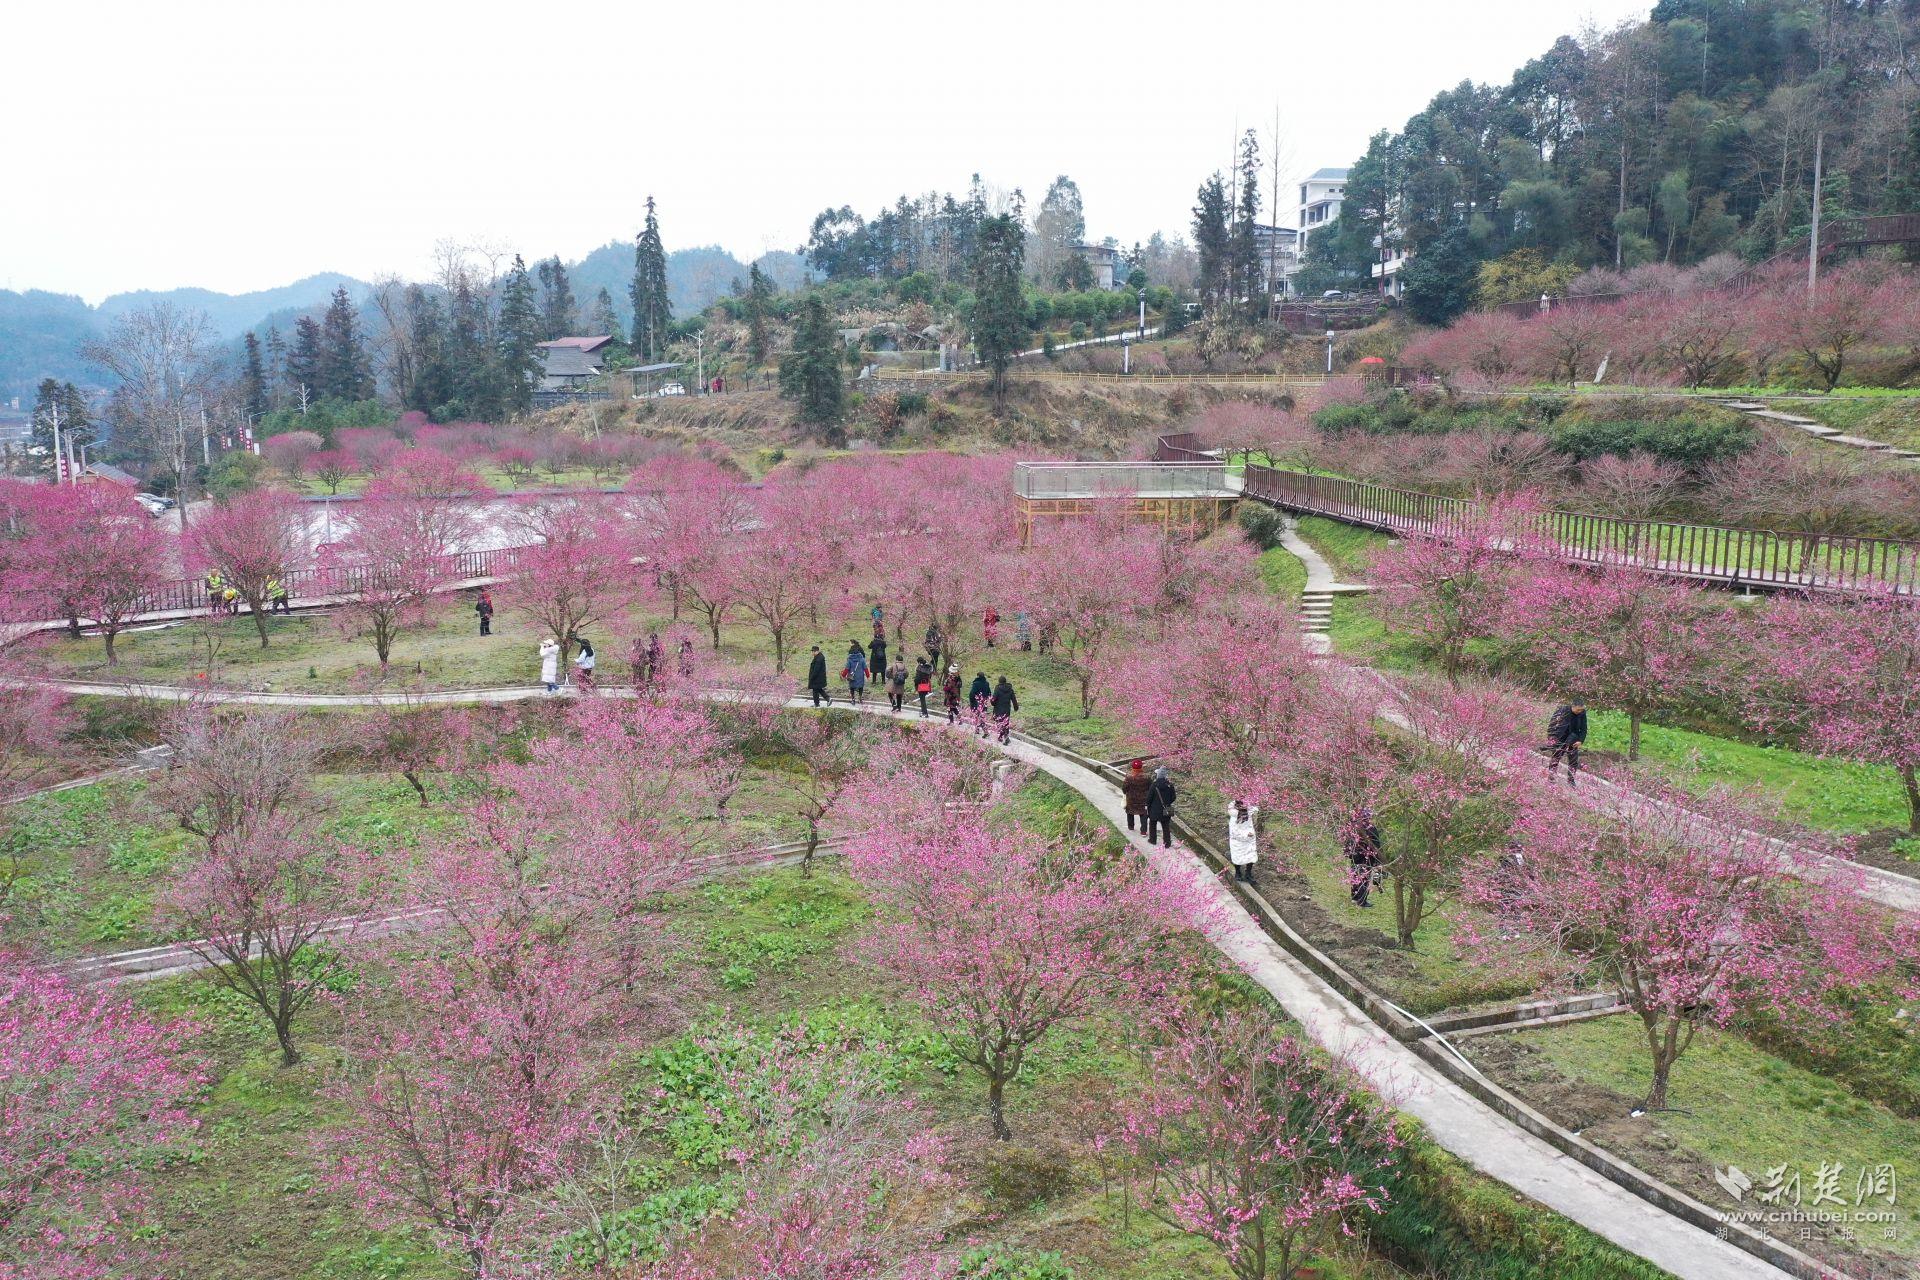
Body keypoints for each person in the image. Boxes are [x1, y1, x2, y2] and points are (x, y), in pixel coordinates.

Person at [1343, 808, 1383, 907]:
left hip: (1354, 855)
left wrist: (1348, 852)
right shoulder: (1370, 827)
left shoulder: (1353, 826)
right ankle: (1361, 901)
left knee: (1355, 875)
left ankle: (1355, 897)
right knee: (1364, 877)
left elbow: (1347, 840)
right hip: (1366, 856)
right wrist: (1378, 858)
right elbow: (1376, 843)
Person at [1547, 700, 1588, 787]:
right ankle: (1551, 777)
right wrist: (1552, 738)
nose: (1580, 712)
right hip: (1559, 737)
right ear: (1572, 706)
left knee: (1573, 761)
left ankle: (1571, 780)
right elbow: (1552, 724)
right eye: (1578, 710)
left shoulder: (1582, 713)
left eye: (1581, 710)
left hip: (1573, 738)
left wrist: (1580, 740)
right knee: (1556, 757)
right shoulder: (1562, 710)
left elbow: (1584, 728)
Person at [1227, 800, 1261, 883]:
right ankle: (1238, 872)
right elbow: (1234, 832)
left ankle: (1248, 873)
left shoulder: (1248, 813)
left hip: (1249, 838)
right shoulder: (1234, 817)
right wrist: (1246, 835)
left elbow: (1250, 824)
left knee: (1251, 855)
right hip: (1238, 840)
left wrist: (1251, 833)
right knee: (1238, 856)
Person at [1145, 767, 1177, 848]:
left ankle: (1152, 840)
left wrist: (1147, 805)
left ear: (1158, 775)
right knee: (1166, 826)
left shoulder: (1154, 785)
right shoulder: (1170, 785)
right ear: (1165, 776)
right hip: (1166, 809)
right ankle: (1167, 843)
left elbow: (1149, 798)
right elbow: (1173, 797)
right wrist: (1167, 802)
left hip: (1154, 810)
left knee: (1152, 824)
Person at [1121, 758, 1151, 832]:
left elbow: (1124, 788)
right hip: (1143, 799)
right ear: (1141, 767)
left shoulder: (1129, 777)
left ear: (1132, 767)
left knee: (1130, 812)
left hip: (1131, 799)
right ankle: (1143, 831)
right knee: (1143, 814)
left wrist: (1125, 793)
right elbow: (1150, 787)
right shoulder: (1147, 777)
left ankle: (1131, 827)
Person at [990, 675, 1018, 744]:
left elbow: (994, 698)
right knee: (1005, 723)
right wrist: (1016, 707)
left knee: (999, 722)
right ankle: (1003, 736)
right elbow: (1014, 699)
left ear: (999, 681)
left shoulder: (997, 688)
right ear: (1005, 681)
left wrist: (992, 703)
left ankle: (1005, 737)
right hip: (1006, 709)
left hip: (998, 708)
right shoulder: (1010, 689)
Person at [844, 641, 869, 705]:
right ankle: (860, 699)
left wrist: (843, 675)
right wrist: (868, 675)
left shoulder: (849, 659)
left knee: (852, 687)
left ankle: (853, 699)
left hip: (852, 676)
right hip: (860, 676)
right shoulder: (862, 659)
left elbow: (847, 668)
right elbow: (865, 668)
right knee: (860, 687)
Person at [968, 671, 993, 737]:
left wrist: (971, 701)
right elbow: (989, 693)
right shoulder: (987, 683)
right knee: (981, 717)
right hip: (984, 703)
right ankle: (977, 729)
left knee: (977, 716)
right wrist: (986, 699)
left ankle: (984, 731)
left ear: (978, 676)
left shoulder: (975, 683)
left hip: (977, 702)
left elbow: (972, 693)